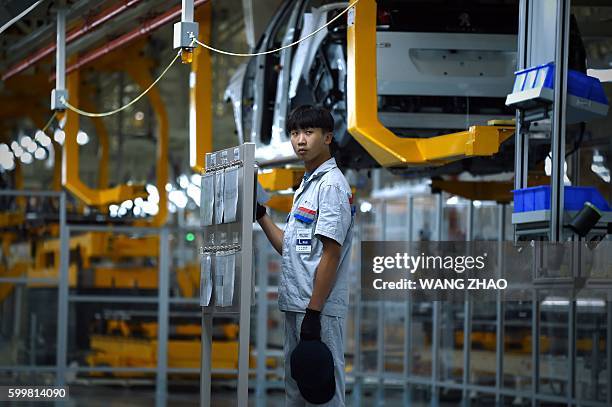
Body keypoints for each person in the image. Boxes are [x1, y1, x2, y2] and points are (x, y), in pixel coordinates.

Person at [256, 105, 354, 406]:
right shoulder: (307, 186)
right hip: (297, 306)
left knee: (324, 396)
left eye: (308, 132)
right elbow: (292, 248)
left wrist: (313, 313)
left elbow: (331, 253)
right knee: (297, 394)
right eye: (295, 133)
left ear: (327, 137)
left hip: (317, 311)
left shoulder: (331, 186)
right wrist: (261, 215)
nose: (300, 140)